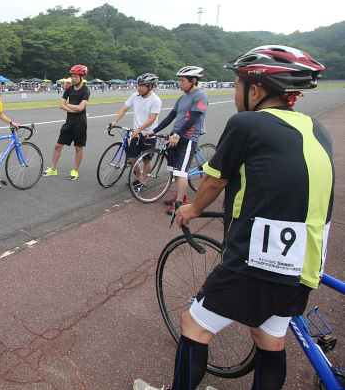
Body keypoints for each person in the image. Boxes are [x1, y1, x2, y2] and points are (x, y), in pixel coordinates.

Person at [134, 46, 333, 390]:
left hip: (260, 253)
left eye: (237, 84)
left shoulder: (248, 122)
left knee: (193, 326)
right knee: (269, 338)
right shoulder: (317, 129)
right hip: (306, 257)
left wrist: (192, 209)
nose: (235, 93)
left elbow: (214, 179)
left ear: (255, 89)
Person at [146, 66, 208, 214]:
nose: (179, 83)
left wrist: (177, 135)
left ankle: (179, 204)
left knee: (181, 172)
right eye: (179, 80)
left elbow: (193, 119)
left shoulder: (200, 96)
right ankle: (181, 198)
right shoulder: (183, 97)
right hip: (176, 136)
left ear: (193, 81)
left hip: (188, 137)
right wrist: (154, 130)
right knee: (174, 170)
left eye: (182, 81)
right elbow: (171, 116)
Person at [108, 73, 162, 189]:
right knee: (132, 159)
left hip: (149, 134)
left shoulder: (155, 100)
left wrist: (139, 129)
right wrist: (114, 122)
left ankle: (143, 180)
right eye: (138, 85)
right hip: (136, 134)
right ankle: (139, 177)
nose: (138, 88)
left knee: (147, 160)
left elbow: (152, 119)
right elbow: (124, 109)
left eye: (141, 86)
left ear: (150, 87)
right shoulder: (134, 96)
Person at [42, 65, 90, 180]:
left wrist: (68, 105)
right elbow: (61, 105)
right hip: (69, 122)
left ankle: (75, 171)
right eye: (72, 76)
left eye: (76, 77)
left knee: (78, 147)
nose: (73, 79)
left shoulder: (85, 91)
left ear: (82, 77)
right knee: (58, 145)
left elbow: (81, 108)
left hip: (80, 123)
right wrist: (72, 108)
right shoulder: (69, 89)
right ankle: (53, 169)